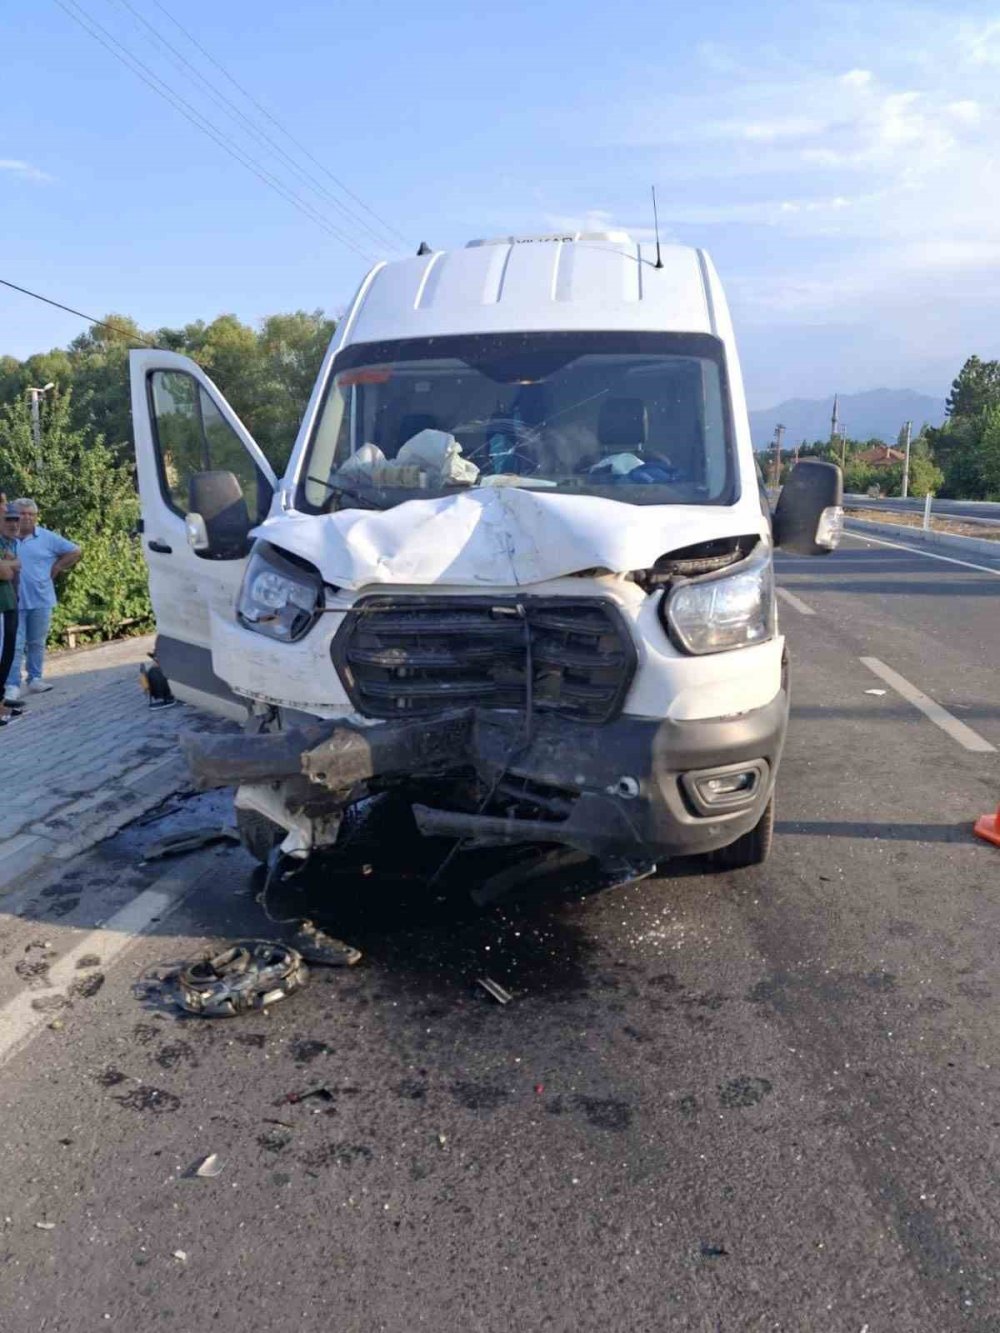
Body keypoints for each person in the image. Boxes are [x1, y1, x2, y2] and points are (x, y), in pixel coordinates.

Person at [7, 499, 81, 697]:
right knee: (14, 643)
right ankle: (12, 684)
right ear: (14, 516)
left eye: (31, 514)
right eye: (23, 514)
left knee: (37, 642)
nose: (27, 518)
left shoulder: (46, 537)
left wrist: (58, 566)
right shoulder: (6, 537)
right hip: (12, 601)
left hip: (41, 599)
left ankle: (35, 678)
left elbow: (75, 550)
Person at [0, 504, 25, 725]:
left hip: (10, 602)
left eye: (16, 519)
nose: (13, 523)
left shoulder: (12, 543)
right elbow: (6, 571)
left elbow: (15, 569)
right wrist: (13, 564)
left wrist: (13, 564)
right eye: (8, 519)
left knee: (7, 653)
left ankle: (1, 704)